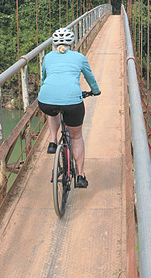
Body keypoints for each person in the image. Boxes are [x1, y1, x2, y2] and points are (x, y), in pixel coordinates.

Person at [38, 27, 100, 188]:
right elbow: (90, 77)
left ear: (54, 43)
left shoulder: (47, 57)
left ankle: (52, 141)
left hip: (45, 100)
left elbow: (44, 78)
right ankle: (80, 176)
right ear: (72, 43)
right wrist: (95, 91)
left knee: (52, 110)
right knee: (76, 137)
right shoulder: (79, 57)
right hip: (72, 103)